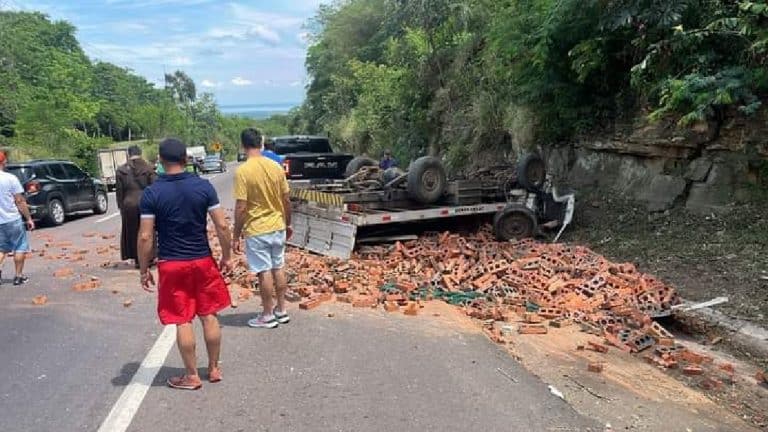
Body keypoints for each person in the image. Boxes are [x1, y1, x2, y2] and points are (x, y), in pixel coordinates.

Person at [138, 138, 233, 390]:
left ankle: (191, 376)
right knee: (209, 314)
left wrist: (144, 268)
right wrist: (227, 255)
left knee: (182, 319)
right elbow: (222, 225)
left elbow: (146, 236)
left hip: (172, 264)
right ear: (185, 159)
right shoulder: (204, 187)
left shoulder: (152, 193)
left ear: (159, 161)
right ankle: (213, 368)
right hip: (202, 260)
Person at [232, 128, 292, 329]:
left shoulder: (243, 171)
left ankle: (267, 315)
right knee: (279, 267)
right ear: (262, 143)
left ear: (243, 145)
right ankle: (282, 310)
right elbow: (286, 199)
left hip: (257, 229)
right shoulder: (276, 167)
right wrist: (288, 223)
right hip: (278, 226)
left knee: (264, 271)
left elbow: (241, 206)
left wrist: (236, 234)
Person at [116, 145, 156, 268]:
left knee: (133, 231)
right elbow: (154, 188)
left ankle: (138, 259)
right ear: (140, 153)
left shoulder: (121, 170)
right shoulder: (148, 168)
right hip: (146, 202)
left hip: (129, 204)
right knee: (148, 230)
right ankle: (149, 258)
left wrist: (121, 207)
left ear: (128, 154)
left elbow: (119, 192)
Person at [0, 151, 34, 285]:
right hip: (12, 219)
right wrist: (29, 218)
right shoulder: (10, 178)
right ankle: (18, 276)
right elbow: (19, 201)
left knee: (1, 249)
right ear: (3, 162)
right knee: (20, 246)